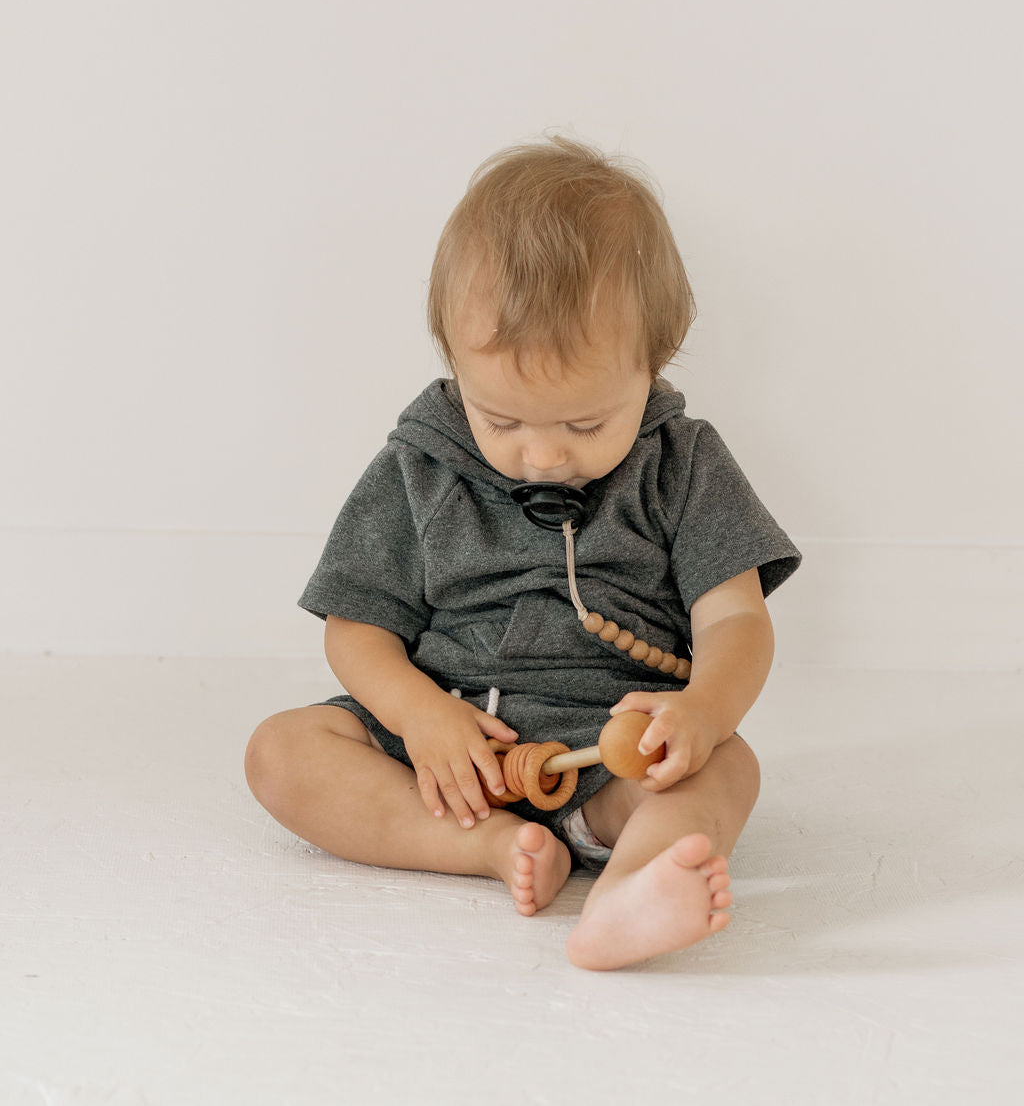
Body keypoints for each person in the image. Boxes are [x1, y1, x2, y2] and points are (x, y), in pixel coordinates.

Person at [244, 135, 800, 971]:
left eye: (585, 425)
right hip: (444, 758)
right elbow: (357, 630)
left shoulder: (686, 466)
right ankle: (484, 847)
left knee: (731, 769)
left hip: (609, 756)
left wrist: (703, 712)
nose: (542, 457)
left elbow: (735, 619)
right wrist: (419, 718)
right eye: (500, 420)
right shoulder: (418, 465)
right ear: (452, 361)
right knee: (280, 753)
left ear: (654, 363)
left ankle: (630, 891)